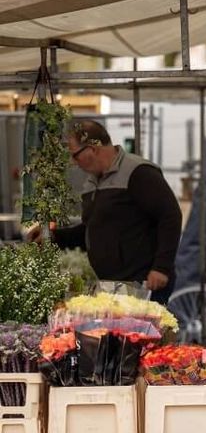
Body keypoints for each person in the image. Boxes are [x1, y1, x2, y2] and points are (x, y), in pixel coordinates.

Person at [28, 120, 182, 303]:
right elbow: (91, 230)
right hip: (114, 284)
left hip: (143, 282)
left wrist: (161, 267)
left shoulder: (138, 172)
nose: (73, 163)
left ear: (93, 148)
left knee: (141, 331)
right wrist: (53, 237)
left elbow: (170, 215)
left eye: (75, 156)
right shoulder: (92, 183)